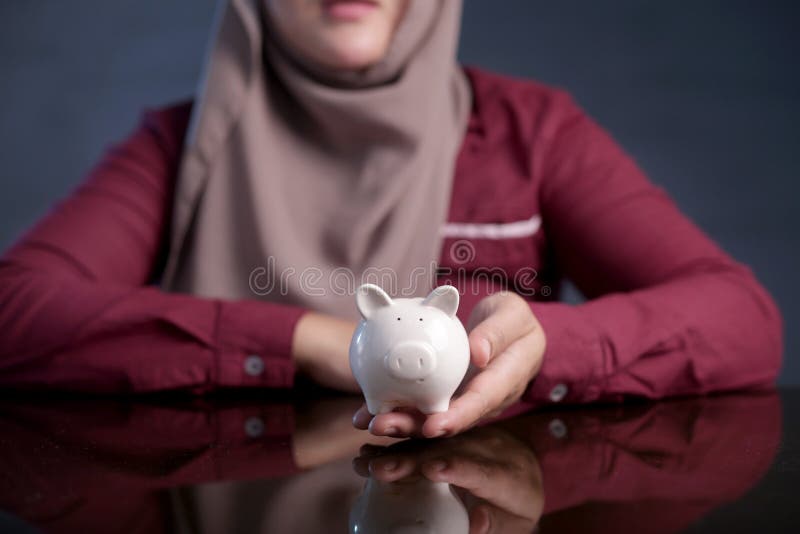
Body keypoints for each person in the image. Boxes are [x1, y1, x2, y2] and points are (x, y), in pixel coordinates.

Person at [0, 0, 783, 439]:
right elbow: (16, 310)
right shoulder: (179, 146)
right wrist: (316, 341)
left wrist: (547, 347)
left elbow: (744, 321)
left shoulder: (530, 132)